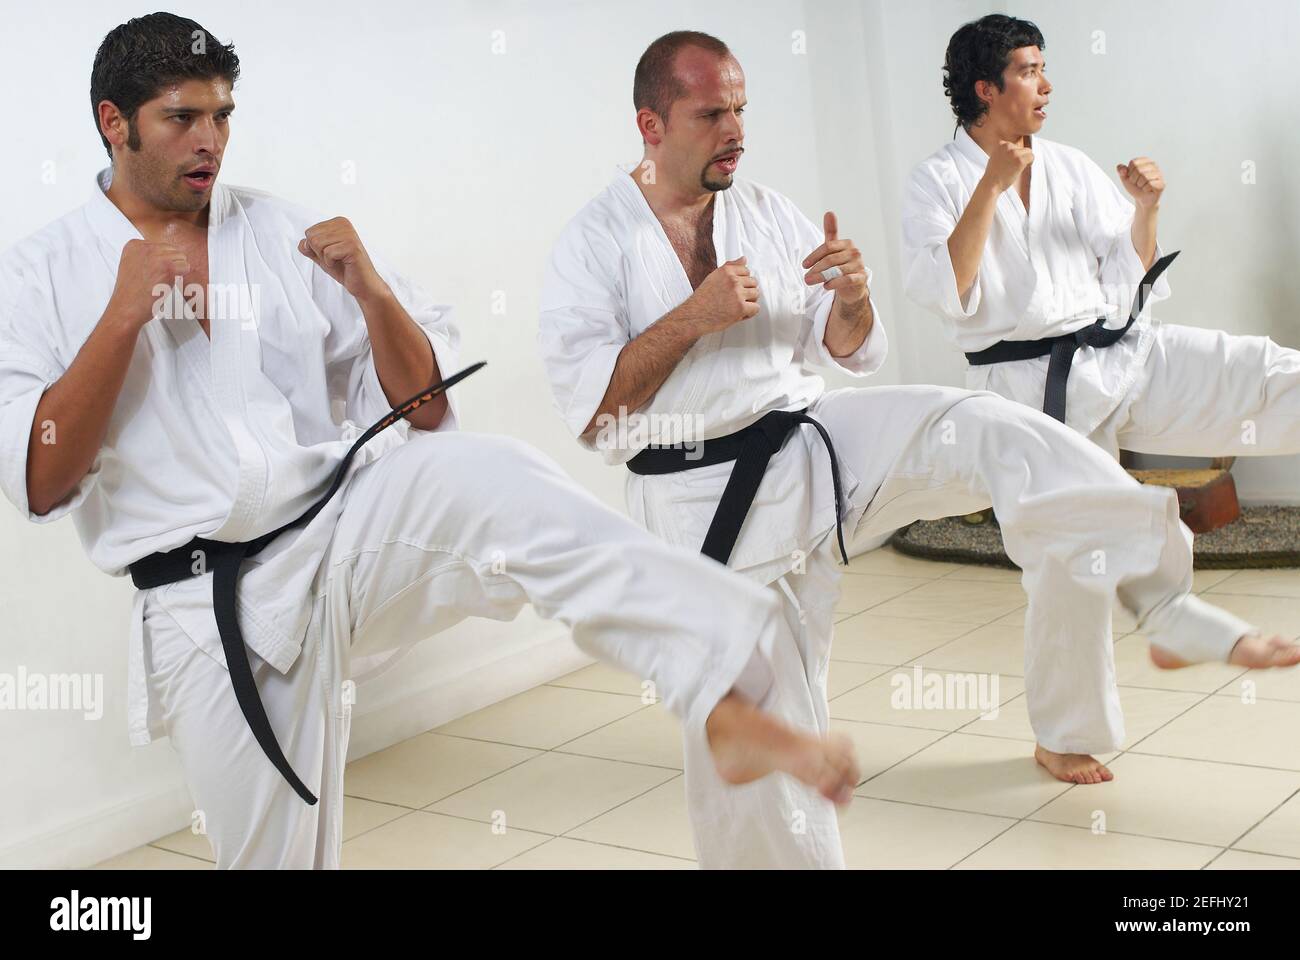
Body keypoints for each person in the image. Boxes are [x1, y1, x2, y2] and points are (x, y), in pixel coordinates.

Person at [0, 13, 861, 870]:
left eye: (222, 115)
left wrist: (371, 291)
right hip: (199, 606)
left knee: (488, 476)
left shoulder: (275, 231)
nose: (211, 140)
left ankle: (719, 691)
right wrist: (120, 317)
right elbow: (40, 480)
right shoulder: (41, 273)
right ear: (115, 123)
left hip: (333, 541)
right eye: (181, 118)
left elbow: (423, 405)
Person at [536, 30, 1300, 818]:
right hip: (705, 500)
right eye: (711, 115)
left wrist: (855, 299)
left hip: (813, 439)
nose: (736, 132)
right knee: (775, 760)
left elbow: (844, 347)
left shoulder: (764, 212)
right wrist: (692, 318)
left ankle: (1167, 604)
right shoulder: (593, 246)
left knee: (980, 423)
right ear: (650, 126)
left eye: (741, 110)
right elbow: (597, 415)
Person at [901, 13, 1299, 461]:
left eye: (1042, 70)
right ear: (986, 89)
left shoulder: (1068, 165)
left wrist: (1146, 211)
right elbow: (944, 287)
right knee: (1096, 526)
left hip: (1115, 356)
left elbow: (1124, 280)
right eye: (1029, 73)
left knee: (1263, 371)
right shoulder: (935, 181)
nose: (1046, 86)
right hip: (1022, 392)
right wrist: (990, 186)